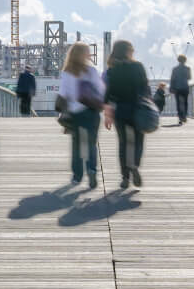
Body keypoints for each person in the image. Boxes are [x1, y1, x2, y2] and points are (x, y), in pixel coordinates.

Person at [104, 39, 150, 190]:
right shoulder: (138, 67)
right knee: (138, 141)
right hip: (138, 109)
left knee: (123, 143)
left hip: (120, 111)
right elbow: (146, 89)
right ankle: (135, 165)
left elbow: (108, 94)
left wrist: (107, 115)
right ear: (128, 51)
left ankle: (125, 177)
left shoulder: (112, 70)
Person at [59, 43, 105, 187]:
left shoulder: (67, 72)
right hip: (91, 112)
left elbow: (62, 94)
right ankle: (91, 170)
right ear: (85, 54)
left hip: (75, 113)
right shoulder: (91, 71)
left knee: (77, 145)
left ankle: (77, 176)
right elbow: (102, 89)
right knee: (91, 143)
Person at [169, 54, 193, 125]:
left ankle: (180, 118)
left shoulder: (175, 69)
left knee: (178, 103)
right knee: (185, 102)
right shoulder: (187, 68)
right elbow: (189, 78)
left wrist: (171, 88)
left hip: (177, 88)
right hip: (185, 87)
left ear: (178, 60)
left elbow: (172, 79)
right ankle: (184, 116)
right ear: (185, 60)